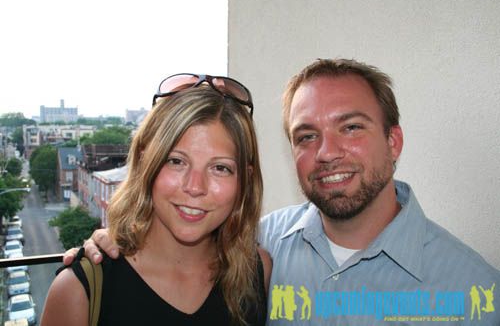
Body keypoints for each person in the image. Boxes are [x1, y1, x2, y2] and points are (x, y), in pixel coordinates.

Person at [64, 60, 500, 325]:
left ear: (393, 142)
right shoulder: (263, 247)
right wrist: (111, 239)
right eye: (306, 135)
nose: (327, 153)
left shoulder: (473, 290)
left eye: (350, 127)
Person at [42, 74, 271, 326]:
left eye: (220, 168)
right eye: (176, 161)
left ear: (245, 180)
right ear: (144, 163)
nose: (195, 187)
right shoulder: (78, 291)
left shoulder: (258, 273)